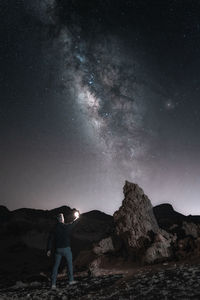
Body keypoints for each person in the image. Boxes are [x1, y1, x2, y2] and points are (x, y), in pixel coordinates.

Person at [46, 211, 80, 289]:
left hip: (58, 250)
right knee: (69, 264)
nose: (63, 219)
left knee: (55, 266)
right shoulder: (66, 226)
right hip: (66, 249)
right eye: (63, 218)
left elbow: (50, 239)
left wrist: (49, 249)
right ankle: (71, 281)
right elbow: (73, 224)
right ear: (61, 219)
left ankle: (53, 284)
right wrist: (77, 217)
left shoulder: (54, 229)